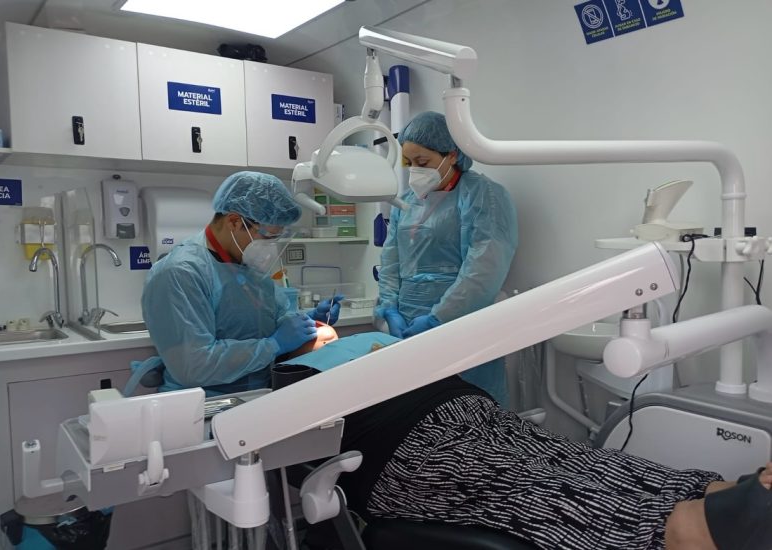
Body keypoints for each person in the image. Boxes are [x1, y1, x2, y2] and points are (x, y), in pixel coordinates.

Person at [280, 335, 772, 550]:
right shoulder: (285, 372)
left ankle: (729, 498)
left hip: (470, 411)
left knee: (586, 462)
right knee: (534, 486)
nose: (321, 330)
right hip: (406, 449)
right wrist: (281, 346)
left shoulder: (375, 342)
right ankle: (687, 532)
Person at [132, 171, 342, 396]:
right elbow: (195, 365)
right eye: (267, 236)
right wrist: (274, 345)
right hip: (202, 403)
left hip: (256, 395)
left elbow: (266, 321)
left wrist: (308, 320)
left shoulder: (248, 265)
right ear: (234, 221)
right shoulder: (180, 273)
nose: (270, 247)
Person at [374, 111, 518, 407]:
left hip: (461, 325)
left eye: (422, 162)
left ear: (451, 155)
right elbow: (391, 260)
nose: (414, 170)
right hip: (407, 322)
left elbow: (483, 270)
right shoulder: (407, 202)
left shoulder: (482, 196)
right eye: (408, 162)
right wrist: (389, 308)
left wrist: (439, 318)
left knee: (466, 408)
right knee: (415, 411)